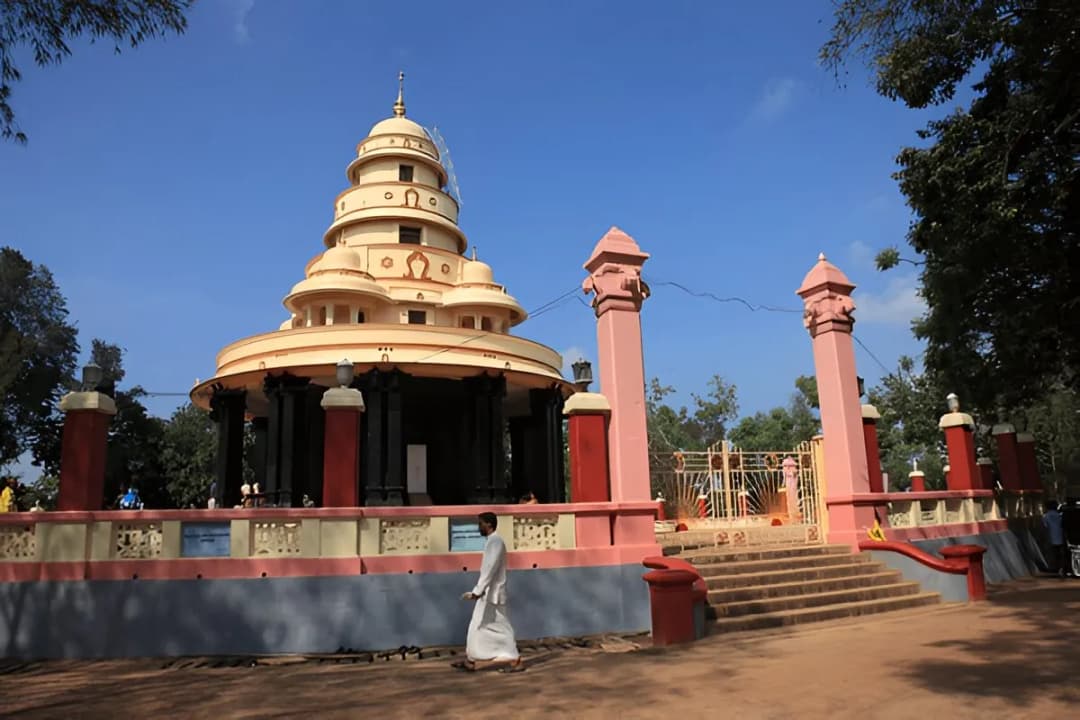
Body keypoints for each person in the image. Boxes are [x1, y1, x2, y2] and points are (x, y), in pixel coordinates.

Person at [455, 512, 524, 673]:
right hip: (488, 594)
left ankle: (516, 660)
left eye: (480, 524)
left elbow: (489, 570)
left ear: (489, 524)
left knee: (501, 628)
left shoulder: (495, 542)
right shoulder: (492, 542)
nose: (478, 527)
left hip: (492, 594)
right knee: (477, 626)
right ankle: (470, 660)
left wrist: (477, 591)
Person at [1043, 500, 1067, 577]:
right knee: (1061, 554)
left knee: (1052, 554)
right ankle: (1061, 567)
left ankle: (1053, 567)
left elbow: (1045, 527)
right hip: (1061, 538)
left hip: (1051, 538)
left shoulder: (1046, 516)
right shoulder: (1060, 515)